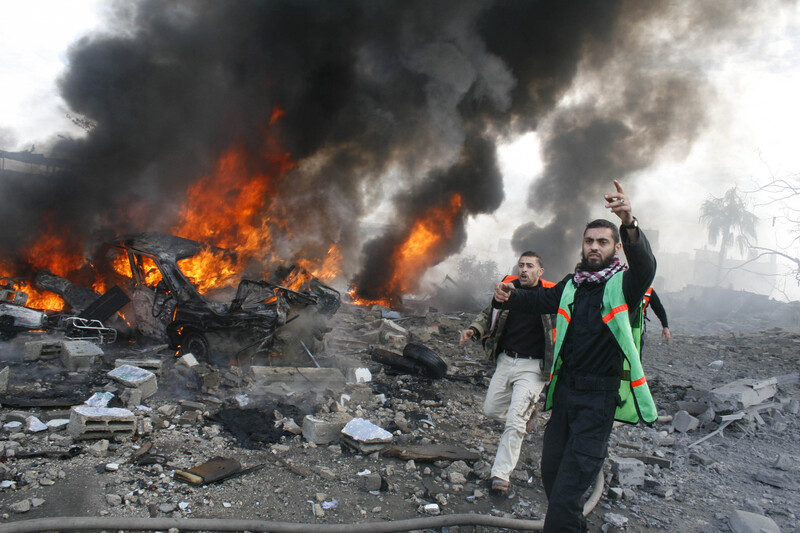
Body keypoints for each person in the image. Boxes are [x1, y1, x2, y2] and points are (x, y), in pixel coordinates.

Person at [493, 180, 657, 532]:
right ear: (582, 246)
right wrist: (510, 294)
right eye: (589, 241)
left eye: (602, 242)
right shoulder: (573, 283)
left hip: (598, 401)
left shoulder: (624, 284)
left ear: (614, 247)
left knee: (567, 495)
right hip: (565, 395)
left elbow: (646, 267)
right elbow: (541, 300)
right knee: (552, 479)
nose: (594, 247)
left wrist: (629, 222)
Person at [459, 251, 555, 494]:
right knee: (491, 409)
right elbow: (488, 312)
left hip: (533, 368)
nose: (524, 269)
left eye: (530, 266)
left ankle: (501, 475)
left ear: (540, 271)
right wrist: (473, 330)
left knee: (514, 422)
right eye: (521, 265)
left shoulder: (548, 297)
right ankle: (525, 415)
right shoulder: (508, 291)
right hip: (505, 361)